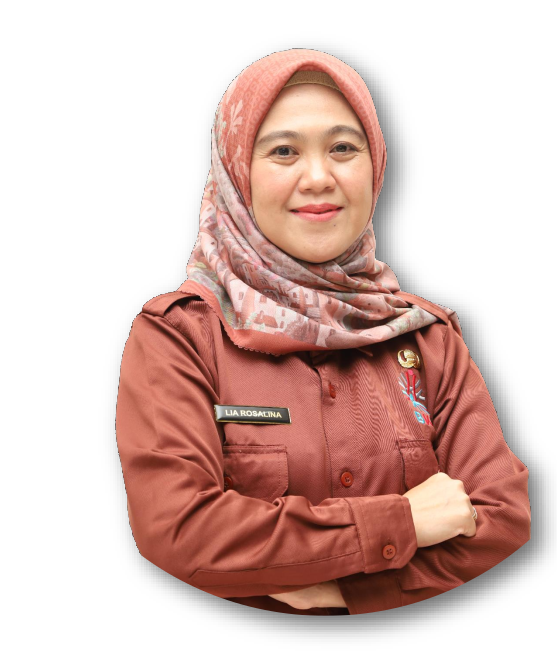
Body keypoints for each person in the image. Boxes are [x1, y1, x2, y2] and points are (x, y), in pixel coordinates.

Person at [115, 48, 531, 616]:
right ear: (236, 173)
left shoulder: (426, 337)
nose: (318, 178)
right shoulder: (180, 336)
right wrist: (403, 522)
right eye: (283, 151)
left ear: (376, 166)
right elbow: (181, 531)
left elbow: (502, 516)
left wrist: (344, 590)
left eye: (342, 148)